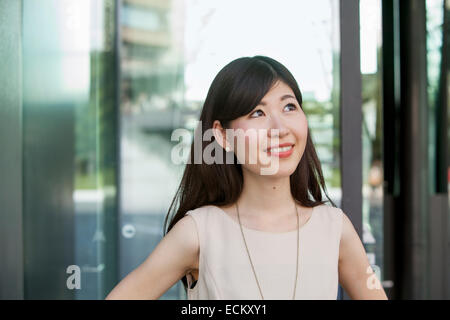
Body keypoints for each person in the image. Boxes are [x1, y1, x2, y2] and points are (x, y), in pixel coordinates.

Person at [105, 55, 388, 300]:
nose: (280, 127)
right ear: (222, 135)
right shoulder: (199, 232)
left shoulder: (334, 229)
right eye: (257, 113)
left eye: (289, 107)